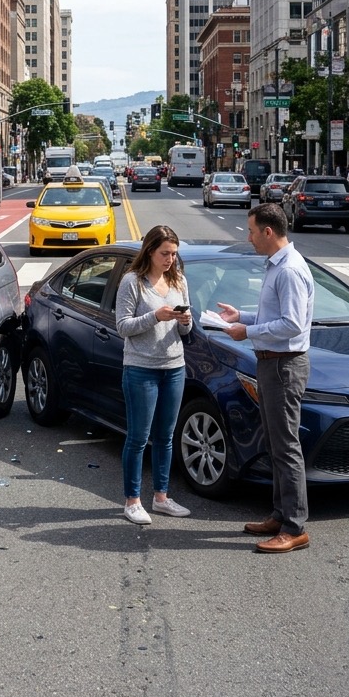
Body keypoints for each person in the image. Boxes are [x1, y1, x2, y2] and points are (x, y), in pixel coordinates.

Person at [217, 202, 315, 553]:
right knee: (276, 444)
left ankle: (294, 527)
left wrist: (249, 332)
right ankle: (279, 514)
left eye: (252, 231)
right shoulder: (278, 266)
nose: (249, 237)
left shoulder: (289, 270)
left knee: (286, 447)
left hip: (283, 365)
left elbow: (291, 324)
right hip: (273, 363)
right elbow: (275, 314)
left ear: (269, 232)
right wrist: (240, 315)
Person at [114, 224, 194, 526]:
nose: (170, 259)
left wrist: (185, 320)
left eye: (174, 254)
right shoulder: (132, 282)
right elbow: (123, 326)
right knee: (138, 437)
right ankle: (131, 500)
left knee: (165, 436)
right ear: (150, 251)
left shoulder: (179, 279)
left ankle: (161, 497)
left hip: (174, 366)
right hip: (141, 368)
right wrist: (154, 316)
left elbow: (185, 330)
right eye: (165, 253)